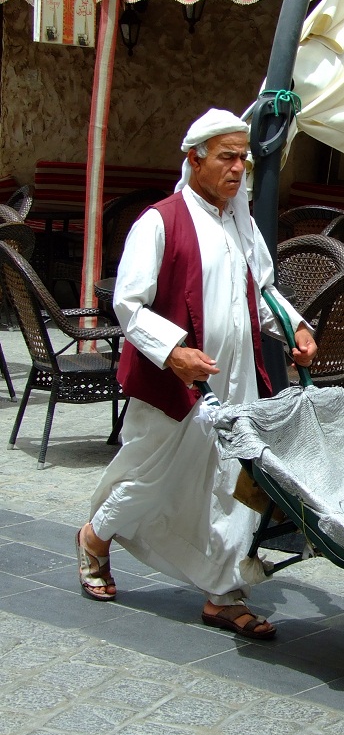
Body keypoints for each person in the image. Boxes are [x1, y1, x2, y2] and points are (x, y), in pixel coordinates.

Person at [75, 109, 316, 640]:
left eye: (243, 159)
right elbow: (128, 305)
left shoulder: (241, 221)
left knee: (235, 483)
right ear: (195, 158)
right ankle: (96, 536)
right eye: (227, 157)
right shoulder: (159, 222)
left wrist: (295, 327)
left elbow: (264, 290)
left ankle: (224, 595)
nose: (238, 169)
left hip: (237, 380)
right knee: (149, 477)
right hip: (175, 385)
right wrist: (174, 353)